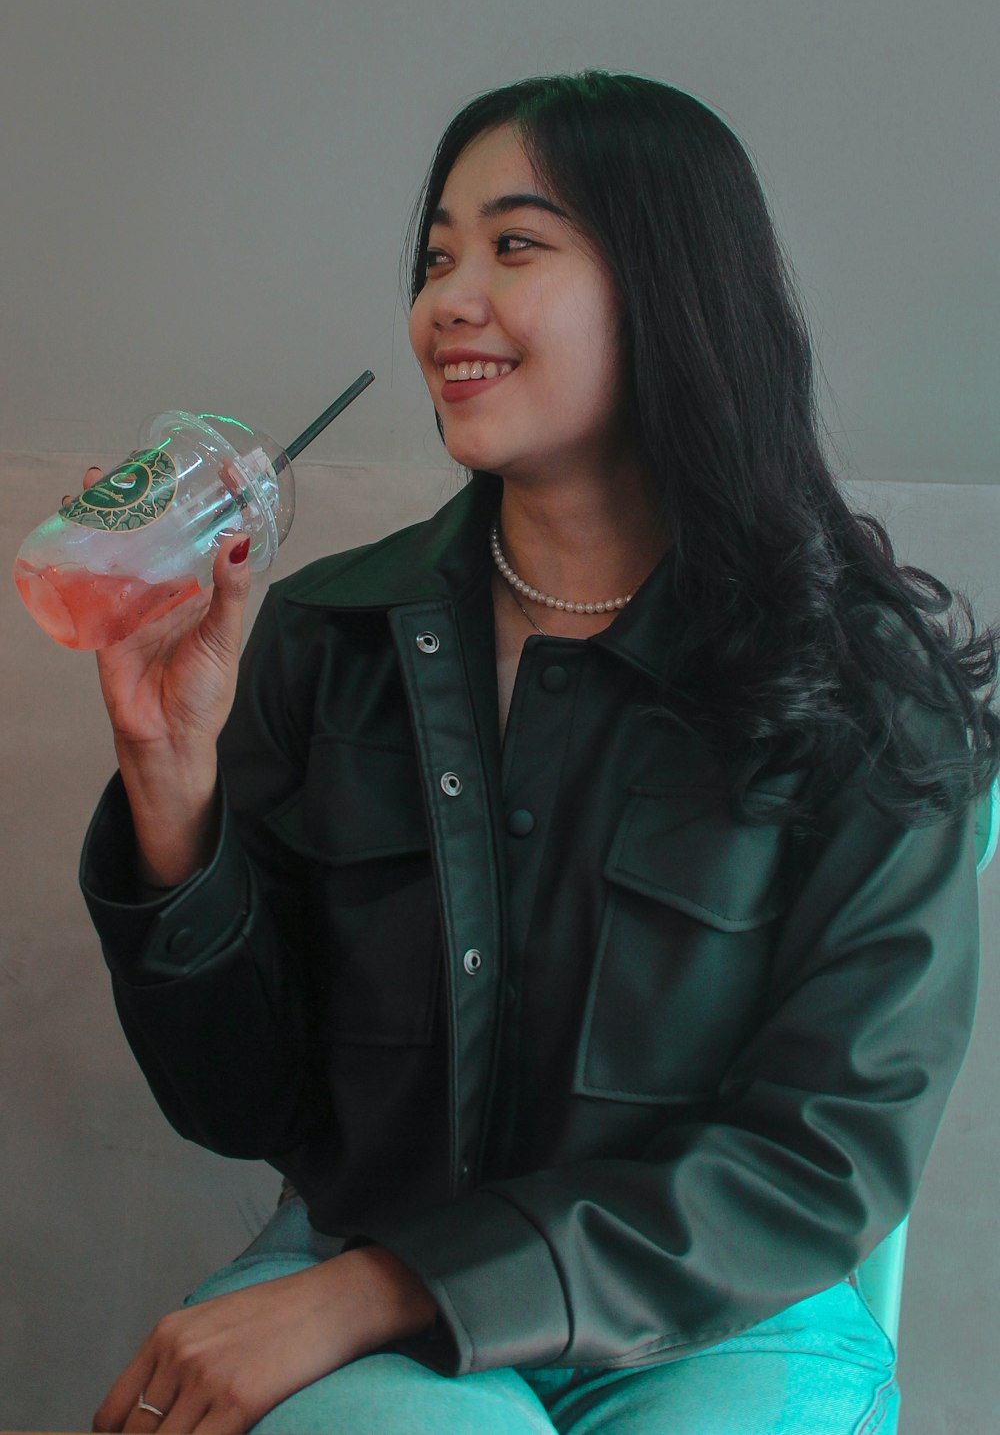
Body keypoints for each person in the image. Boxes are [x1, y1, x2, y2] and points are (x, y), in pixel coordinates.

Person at [80, 71, 1000, 1434]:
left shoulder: (867, 689)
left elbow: (822, 1162)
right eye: (436, 254)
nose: (448, 298)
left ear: (669, 289)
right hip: (354, 1263)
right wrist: (172, 786)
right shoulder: (326, 638)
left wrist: (390, 1290)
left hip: (719, 1320)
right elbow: (241, 1100)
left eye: (516, 244)